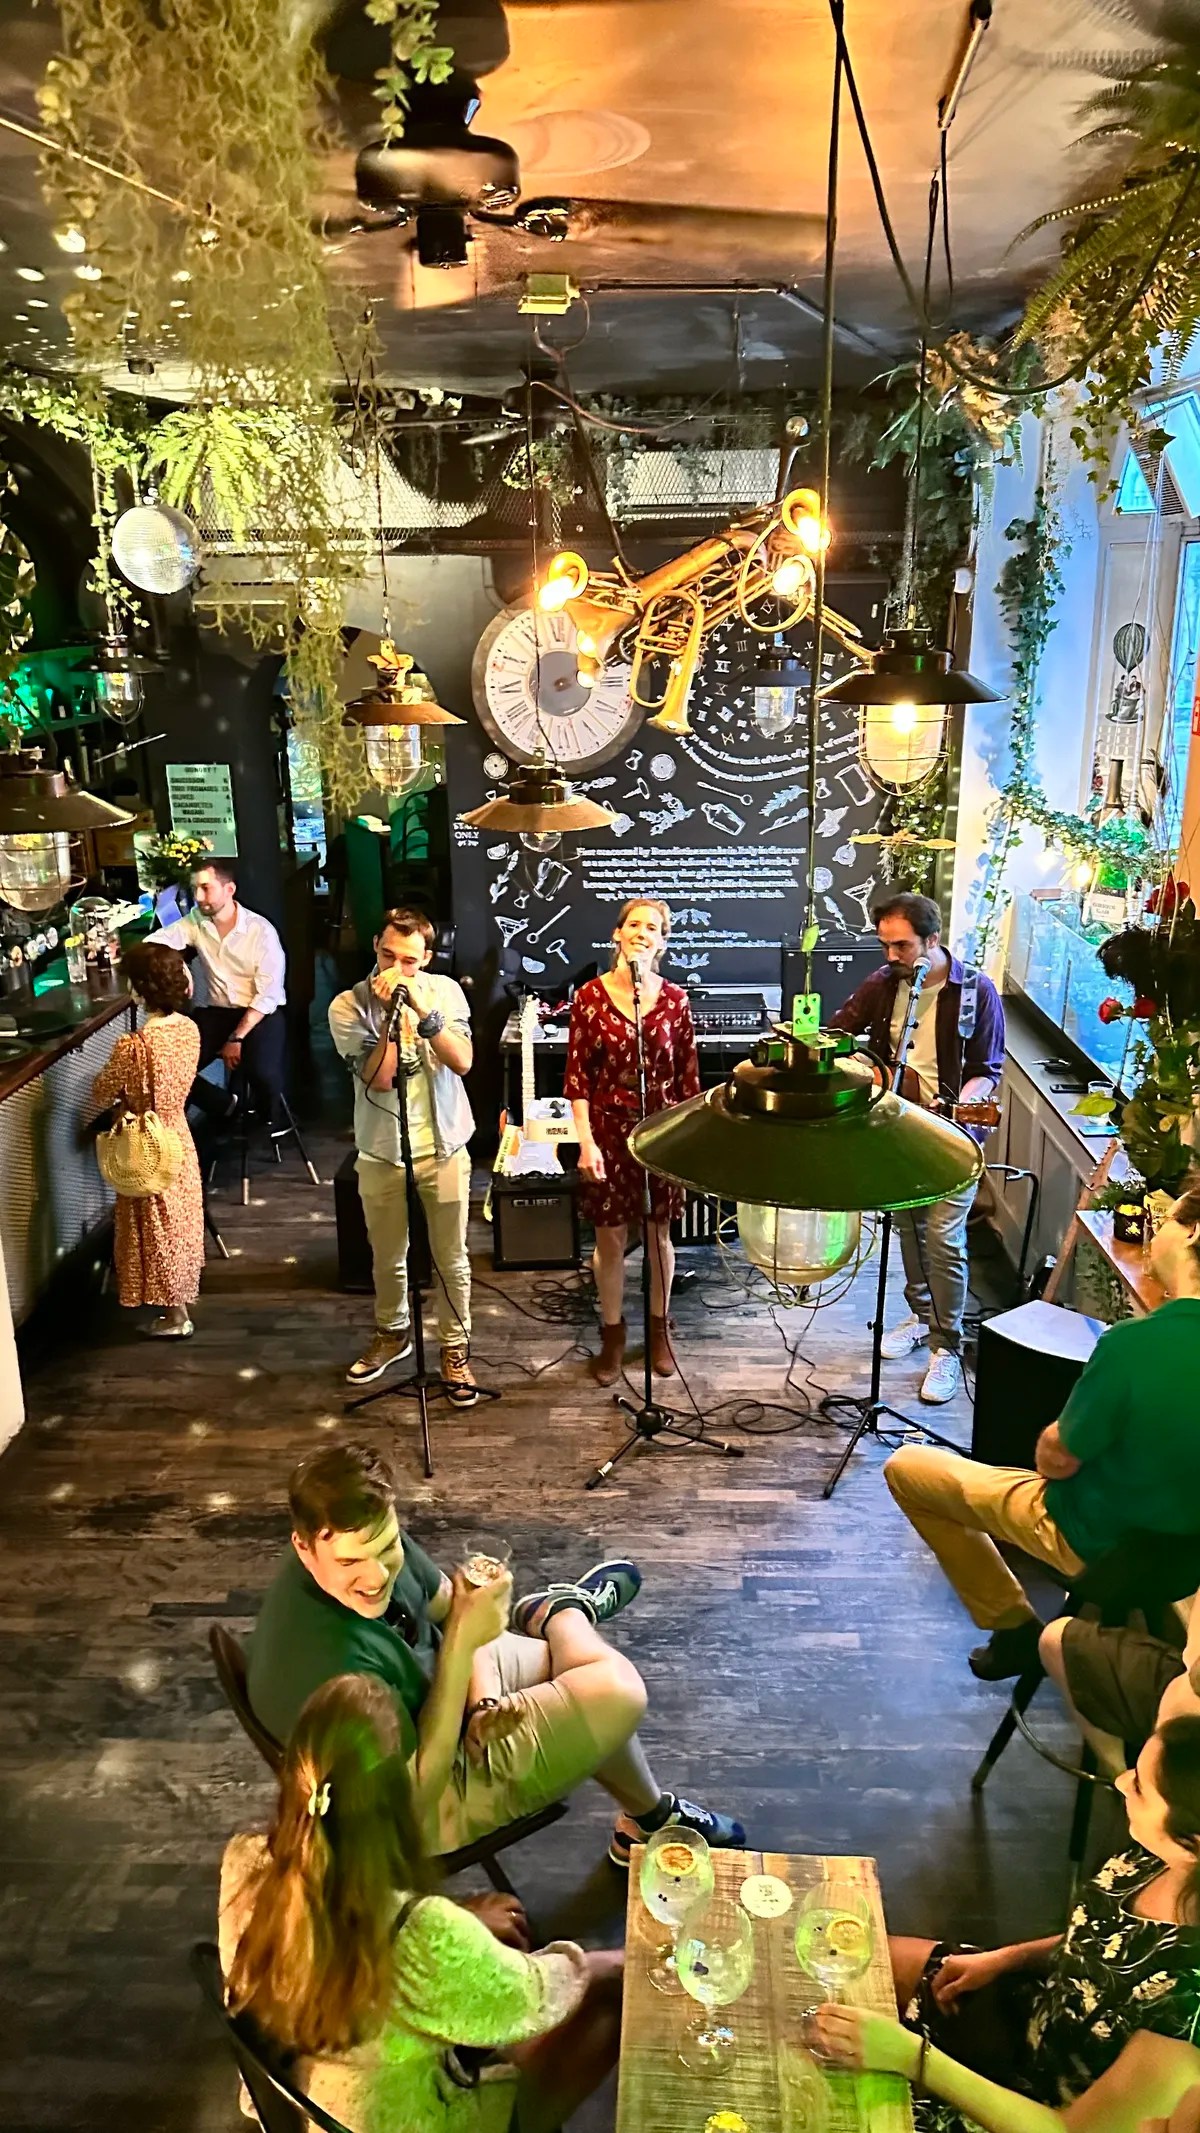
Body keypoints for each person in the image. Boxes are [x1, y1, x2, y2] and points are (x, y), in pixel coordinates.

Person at [245, 1441, 744, 1868]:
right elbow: (414, 1800)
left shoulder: (351, 1525)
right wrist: (464, 1644)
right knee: (617, 1690)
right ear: (302, 1547)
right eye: (351, 1562)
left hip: (434, 1694)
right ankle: (564, 1614)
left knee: (586, 1684)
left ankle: (647, 1820)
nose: (377, 1576)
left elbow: (449, 1608)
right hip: (411, 1812)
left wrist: (483, 1701)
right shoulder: (328, 1671)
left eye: (387, 1548)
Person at [220, 1672, 624, 2133]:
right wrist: (616, 1965)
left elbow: (346, 1930)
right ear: (396, 1798)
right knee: (608, 2007)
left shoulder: (244, 1861)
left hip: (296, 2103)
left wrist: (461, 1923)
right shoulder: (422, 1935)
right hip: (406, 2122)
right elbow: (533, 1999)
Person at [805, 1711, 1200, 2133]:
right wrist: (1004, 1959)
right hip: (1028, 2022)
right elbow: (1103, 1941)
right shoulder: (1161, 1856)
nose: (1120, 1781)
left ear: (1192, 1841)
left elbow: (1065, 2131)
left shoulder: (1187, 2008)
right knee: (854, 1957)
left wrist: (913, 2057)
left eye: (1139, 1786)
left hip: (1030, 2111)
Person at [885, 1180, 1200, 1681]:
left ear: (1192, 1233)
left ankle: (1013, 1627)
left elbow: (1056, 1461)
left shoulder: (1134, 1345)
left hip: (1094, 1544)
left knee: (908, 1470)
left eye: (1163, 1222)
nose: (1153, 1234)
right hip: (1183, 1566)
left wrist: (1060, 1433)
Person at [828, 890, 1004, 1405]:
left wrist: (963, 1103)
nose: (892, 956)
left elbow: (986, 1070)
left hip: (955, 1135)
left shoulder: (976, 992)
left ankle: (947, 1345)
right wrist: (863, 1069)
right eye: (885, 945)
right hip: (897, 1131)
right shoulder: (884, 984)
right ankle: (923, 1316)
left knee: (943, 1238)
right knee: (909, 1229)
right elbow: (838, 1034)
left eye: (902, 946)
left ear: (932, 940)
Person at [328, 906, 477, 1407]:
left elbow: (463, 1061)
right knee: (388, 1254)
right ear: (376, 946)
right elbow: (380, 1079)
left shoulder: (446, 992)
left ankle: (454, 1347)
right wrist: (392, 1022)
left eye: (409, 960)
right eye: (389, 955)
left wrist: (420, 1012)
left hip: (444, 1145)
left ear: (426, 958)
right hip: (382, 1149)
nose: (396, 968)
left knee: (451, 1257)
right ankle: (393, 1333)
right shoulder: (347, 1006)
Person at [564, 897, 700, 1386]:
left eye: (653, 928)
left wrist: (686, 1144)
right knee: (611, 1237)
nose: (643, 933)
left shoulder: (676, 1001)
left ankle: (660, 1330)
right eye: (635, 925)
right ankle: (613, 1335)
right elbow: (577, 1080)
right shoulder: (589, 997)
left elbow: (688, 1082)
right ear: (618, 934)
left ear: (662, 942)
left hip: (661, 1131)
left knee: (659, 1233)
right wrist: (586, 1143)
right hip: (607, 1130)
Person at [91, 941, 203, 1337]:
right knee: (179, 1221)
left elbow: (101, 1091)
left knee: (156, 1225)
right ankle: (179, 1304)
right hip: (178, 1134)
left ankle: (176, 1318)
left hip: (145, 1144)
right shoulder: (189, 1030)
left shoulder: (134, 1045)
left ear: (139, 990)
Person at [149, 858, 288, 1130]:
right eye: (195, 889)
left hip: (260, 1014)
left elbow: (268, 995)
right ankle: (225, 1106)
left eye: (206, 888)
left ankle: (267, 1120)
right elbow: (157, 940)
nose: (198, 897)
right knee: (170, 1066)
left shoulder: (261, 931)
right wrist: (179, 965)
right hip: (218, 1013)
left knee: (262, 1072)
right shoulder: (196, 921)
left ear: (229, 890)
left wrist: (237, 1038)